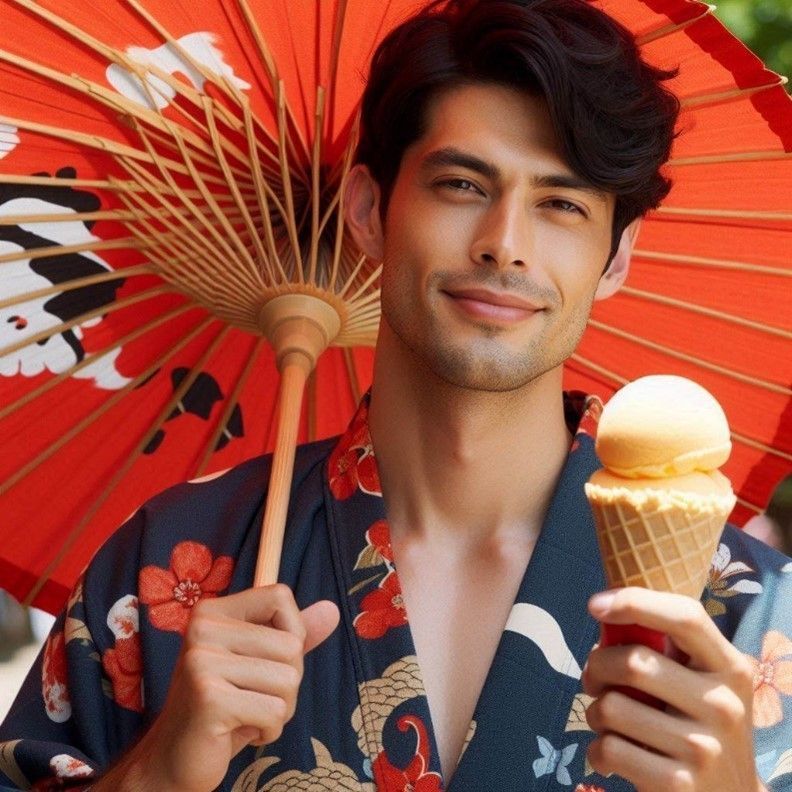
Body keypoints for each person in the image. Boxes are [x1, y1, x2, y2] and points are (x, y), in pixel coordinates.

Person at [2, 0, 791, 790]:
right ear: (371, 211)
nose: (504, 244)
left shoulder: (745, 616)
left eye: (562, 204)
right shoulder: (170, 563)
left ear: (616, 257)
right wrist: (160, 770)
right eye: (460, 184)